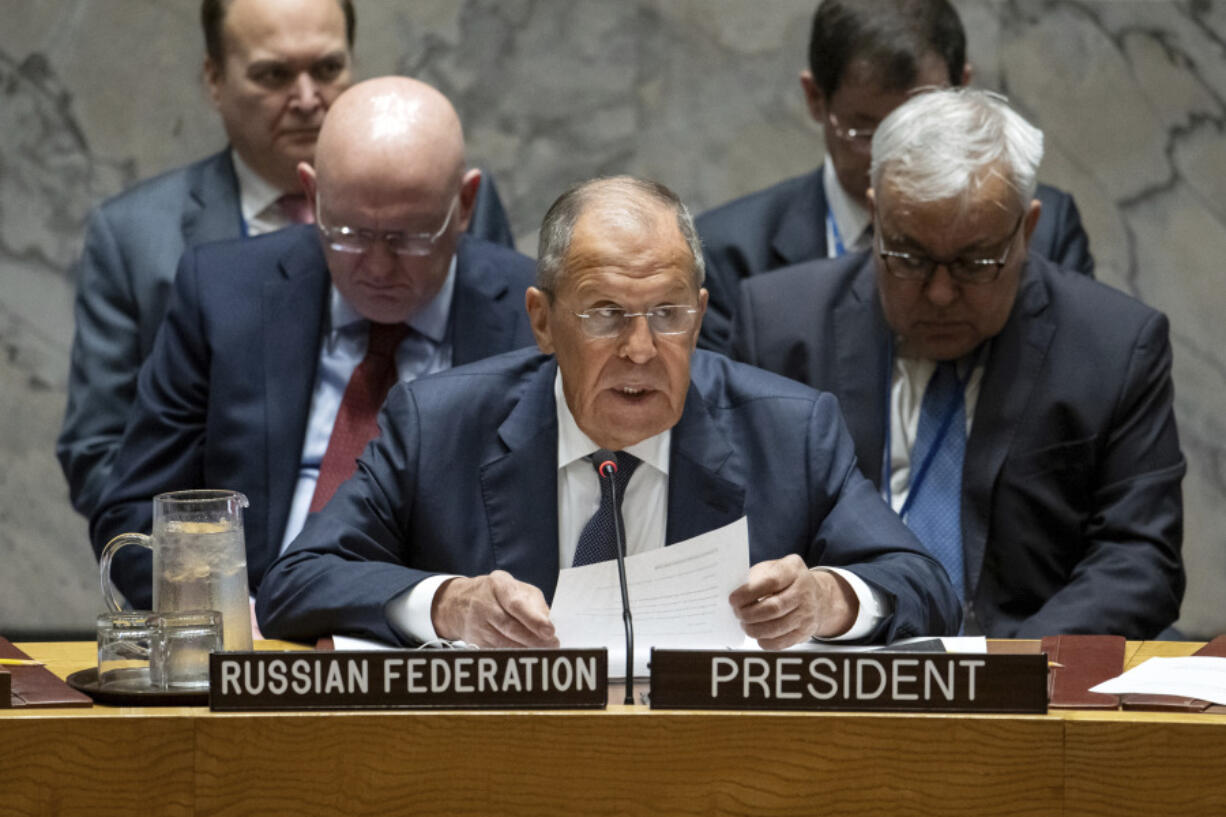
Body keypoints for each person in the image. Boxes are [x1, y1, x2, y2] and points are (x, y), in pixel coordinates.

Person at [256, 176, 960, 648]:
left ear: (702, 313)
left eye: (668, 313)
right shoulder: (440, 424)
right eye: (605, 315)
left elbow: (926, 583)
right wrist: (449, 605)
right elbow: (295, 582)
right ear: (542, 321)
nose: (642, 349)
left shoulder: (789, 430)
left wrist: (828, 599)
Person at [732, 88, 1185, 638]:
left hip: (1029, 673)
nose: (941, 293)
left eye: (975, 262)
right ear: (875, 215)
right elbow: (740, 534)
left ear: (1028, 228)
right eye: (911, 257)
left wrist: (1006, 671)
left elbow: (1138, 560)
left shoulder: (1114, 345)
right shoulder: (780, 329)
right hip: (835, 668)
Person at [91, 76, 536, 610]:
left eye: (409, 236)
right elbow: (136, 509)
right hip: (254, 640)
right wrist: (226, 621)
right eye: (347, 232)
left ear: (464, 204)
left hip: (444, 650)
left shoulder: (532, 319)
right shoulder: (221, 294)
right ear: (311, 194)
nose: (376, 267)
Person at [59, 0, 516, 518]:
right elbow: (109, 463)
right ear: (214, 79)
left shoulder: (446, 203)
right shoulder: (143, 239)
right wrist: (205, 576)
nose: (306, 99)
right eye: (273, 75)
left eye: (326, 69)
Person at [696, 0, 1094, 353]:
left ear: (964, 92)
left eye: (924, 126)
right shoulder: (729, 255)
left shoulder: (1044, 232)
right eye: (866, 132)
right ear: (816, 98)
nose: (894, 155)